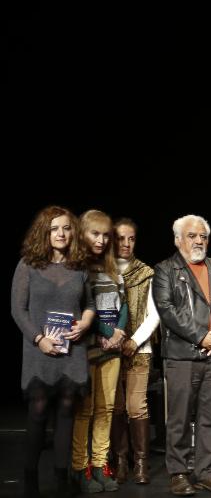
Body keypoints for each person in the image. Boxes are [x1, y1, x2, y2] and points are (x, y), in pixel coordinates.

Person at [152, 214, 211, 495]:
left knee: (210, 419)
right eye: (192, 236)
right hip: (182, 357)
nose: (199, 241)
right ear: (178, 239)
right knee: (178, 418)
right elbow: (167, 311)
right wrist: (202, 335)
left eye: (203, 236)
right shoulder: (165, 270)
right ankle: (178, 472)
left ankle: (205, 471)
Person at [13, 206, 94, 498]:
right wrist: (38, 338)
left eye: (65, 228)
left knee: (67, 409)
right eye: (54, 229)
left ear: (72, 232)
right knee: (37, 411)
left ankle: (63, 479)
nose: (60, 234)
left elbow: (90, 304)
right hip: (40, 351)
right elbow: (17, 309)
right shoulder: (28, 265)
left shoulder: (80, 266)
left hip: (72, 350)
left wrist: (86, 320)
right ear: (44, 233)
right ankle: (30, 478)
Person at [71, 209, 128, 493]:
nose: (102, 240)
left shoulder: (112, 268)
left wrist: (118, 332)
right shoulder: (77, 268)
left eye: (106, 235)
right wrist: (107, 334)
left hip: (112, 349)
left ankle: (99, 464)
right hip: (87, 348)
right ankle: (80, 467)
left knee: (106, 409)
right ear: (82, 234)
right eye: (95, 233)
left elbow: (124, 303)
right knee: (86, 410)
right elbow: (83, 306)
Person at [109, 218, 157, 485]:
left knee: (136, 406)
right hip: (109, 351)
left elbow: (154, 315)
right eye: (120, 239)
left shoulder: (146, 273)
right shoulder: (102, 273)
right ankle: (120, 460)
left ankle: (141, 462)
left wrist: (134, 341)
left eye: (131, 239)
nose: (126, 244)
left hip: (140, 349)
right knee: (115, 406)